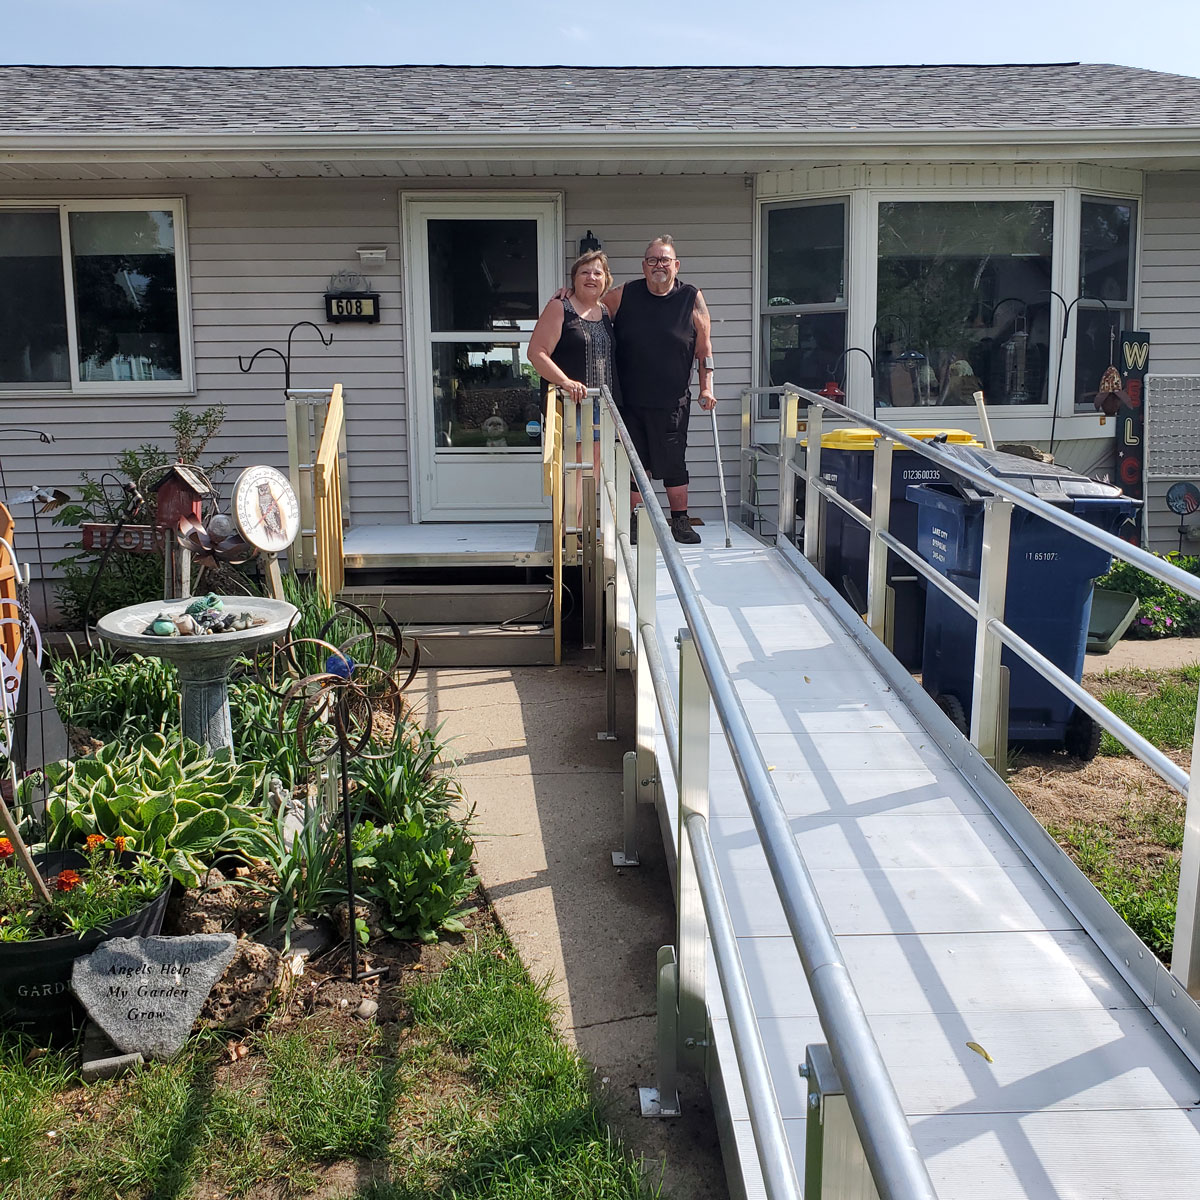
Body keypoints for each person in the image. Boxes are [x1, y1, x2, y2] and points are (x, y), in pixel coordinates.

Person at [603, 235, 715, 544]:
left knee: (673, 462)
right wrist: (566, 298)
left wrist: (706, 388)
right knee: (635, 462)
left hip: (672, 400)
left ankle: (679, 522)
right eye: (652, 260)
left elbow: (704, 350)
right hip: (629, 399)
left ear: (676, 266)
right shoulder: (624, 294)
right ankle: (637, 522)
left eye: (665, 260)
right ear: (644, 265)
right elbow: (589, 312)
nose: (659, 265)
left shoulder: (691, 298)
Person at [528, 249, 618, 466]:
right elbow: (536, 352)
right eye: (584, 272)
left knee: (595, 468)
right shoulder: (560, 307)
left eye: (598, 273)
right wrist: (565, 382)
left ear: (606, 281)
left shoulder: (606, 311)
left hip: (603, 404)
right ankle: (573, 503)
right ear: (574, 280)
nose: (591, 277)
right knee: (574, 470)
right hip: (571, 405)